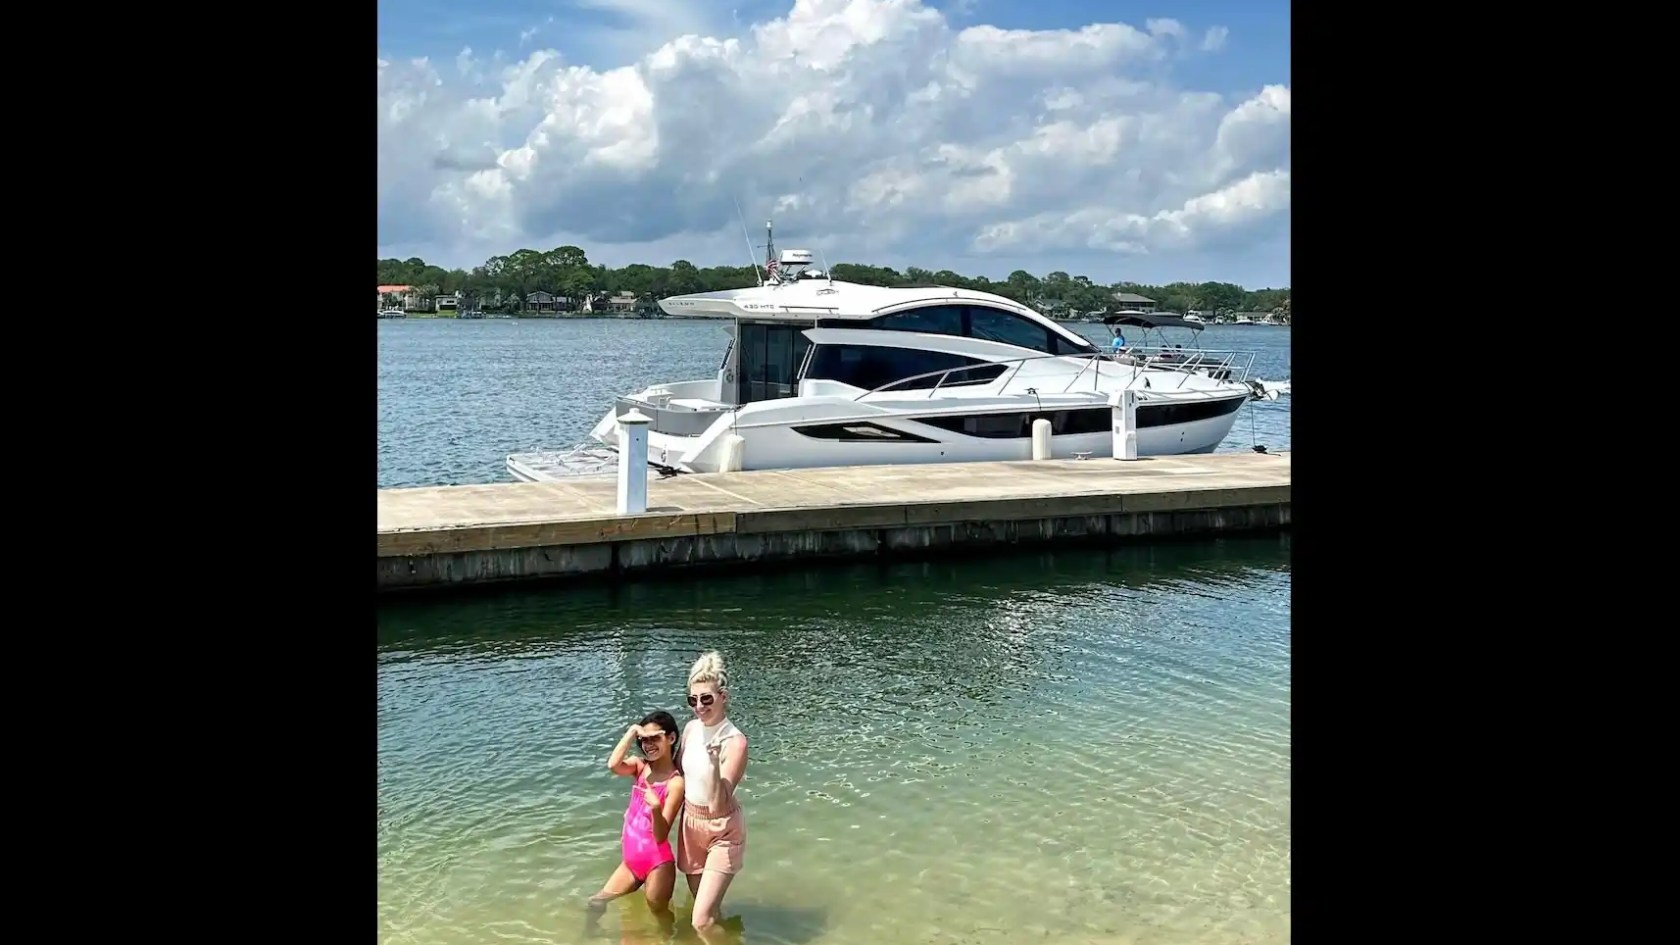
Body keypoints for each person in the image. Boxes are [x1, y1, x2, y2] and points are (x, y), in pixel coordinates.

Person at [586, 711, 686, 935]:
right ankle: (588, 937)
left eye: (655, 738)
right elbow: (613, 765)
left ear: (670, 738)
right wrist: (632, 732)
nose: (648, 745)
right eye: (644, 740)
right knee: (596, 902)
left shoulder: (675, 783)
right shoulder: (640, 767)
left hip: (657, 864)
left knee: (659, 916)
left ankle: (673, 939)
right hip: (631, 862)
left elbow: (660, 835)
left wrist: (656, 809)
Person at [678, 651, 749, 941]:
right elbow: (678, 778)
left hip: (723, 830)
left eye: (706, 698)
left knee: (701, 921)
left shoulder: (735, 741)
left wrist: (714, 763)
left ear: (723, 696)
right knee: (708, 910)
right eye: (692, 700)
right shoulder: (690, 729)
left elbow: (719, 805)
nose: (699, 706)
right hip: (690, 825)